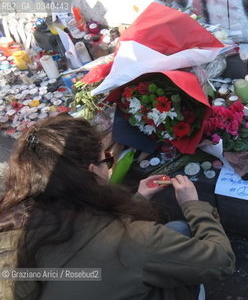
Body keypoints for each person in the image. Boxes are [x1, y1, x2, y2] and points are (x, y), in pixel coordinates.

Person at [0, 114, 235, 299]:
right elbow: (222, 260)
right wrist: (194, 206)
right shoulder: (132, 242)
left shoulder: (12, 223)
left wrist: (138, 198)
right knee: (180, 229)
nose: (109, 168)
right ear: (92, 172)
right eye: (106, 161)